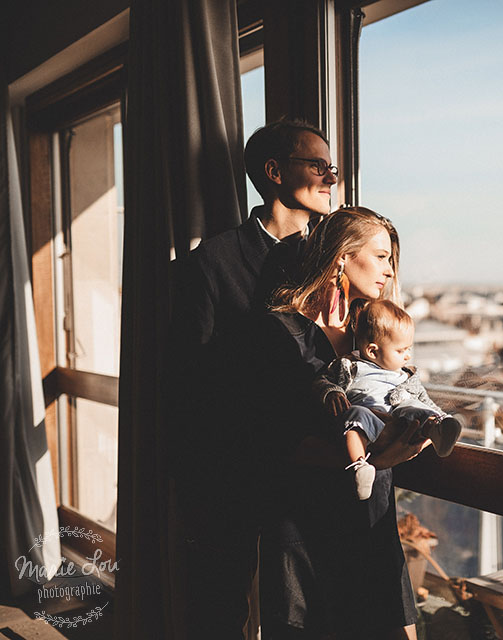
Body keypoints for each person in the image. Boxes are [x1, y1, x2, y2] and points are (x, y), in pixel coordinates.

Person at [170, 117, 337, 639]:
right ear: (273, 172)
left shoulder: (333, 262)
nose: (332, 178)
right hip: (230, 471)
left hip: (311, 467)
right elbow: (189, 382)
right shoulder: (210, 265)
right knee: (219, 611)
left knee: (304, 613)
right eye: (318, 166)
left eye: (333, 168)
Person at [246, 207, 425, 639]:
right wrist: (374, 460)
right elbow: (276, 440)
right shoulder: (281, 333)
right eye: (381, 256)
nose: (389, 270)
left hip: (372, 526)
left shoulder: (377, 338)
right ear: (343, 256)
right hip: (304, 533)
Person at [316, 299, 462, 500]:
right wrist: (333, 392)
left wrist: (441, 415)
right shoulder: (348, 366)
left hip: (399, 418)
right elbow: (322, 381)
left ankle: (437, 430)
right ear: (373, 351)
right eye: (401, 350)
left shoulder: (406, 375)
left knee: (413, 406)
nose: (407, 356)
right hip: (368, 420)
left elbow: (424, 400)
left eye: (408, 349)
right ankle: (359, 466)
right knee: (356, 416)